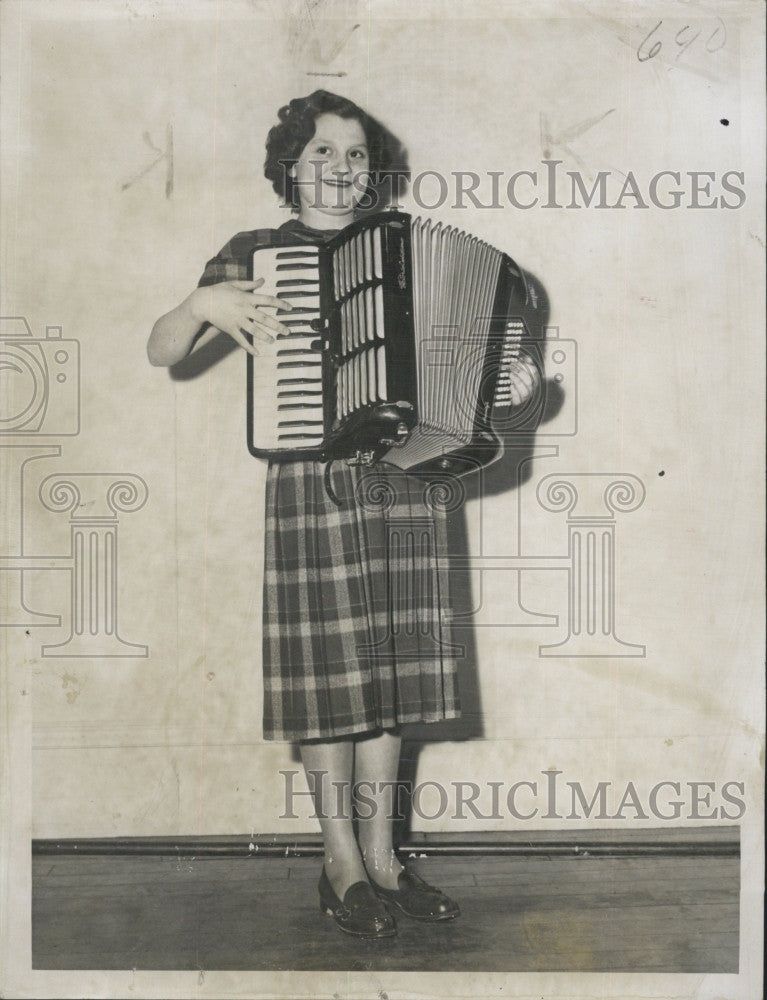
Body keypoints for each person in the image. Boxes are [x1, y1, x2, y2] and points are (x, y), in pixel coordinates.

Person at [148, 90, 538, 938]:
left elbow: (491, 353)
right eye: (321, 152)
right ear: (290, 165)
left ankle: (386, 859)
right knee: (328, 684)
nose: (339, 168)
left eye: (355, 154)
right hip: (310, 482)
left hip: (406, 480)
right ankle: (340, 862)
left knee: (390, 681)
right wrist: (197, 308)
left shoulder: (403, 250)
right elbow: (163, 348)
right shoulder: (254, 253)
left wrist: (515, 386)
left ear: (372, 169)